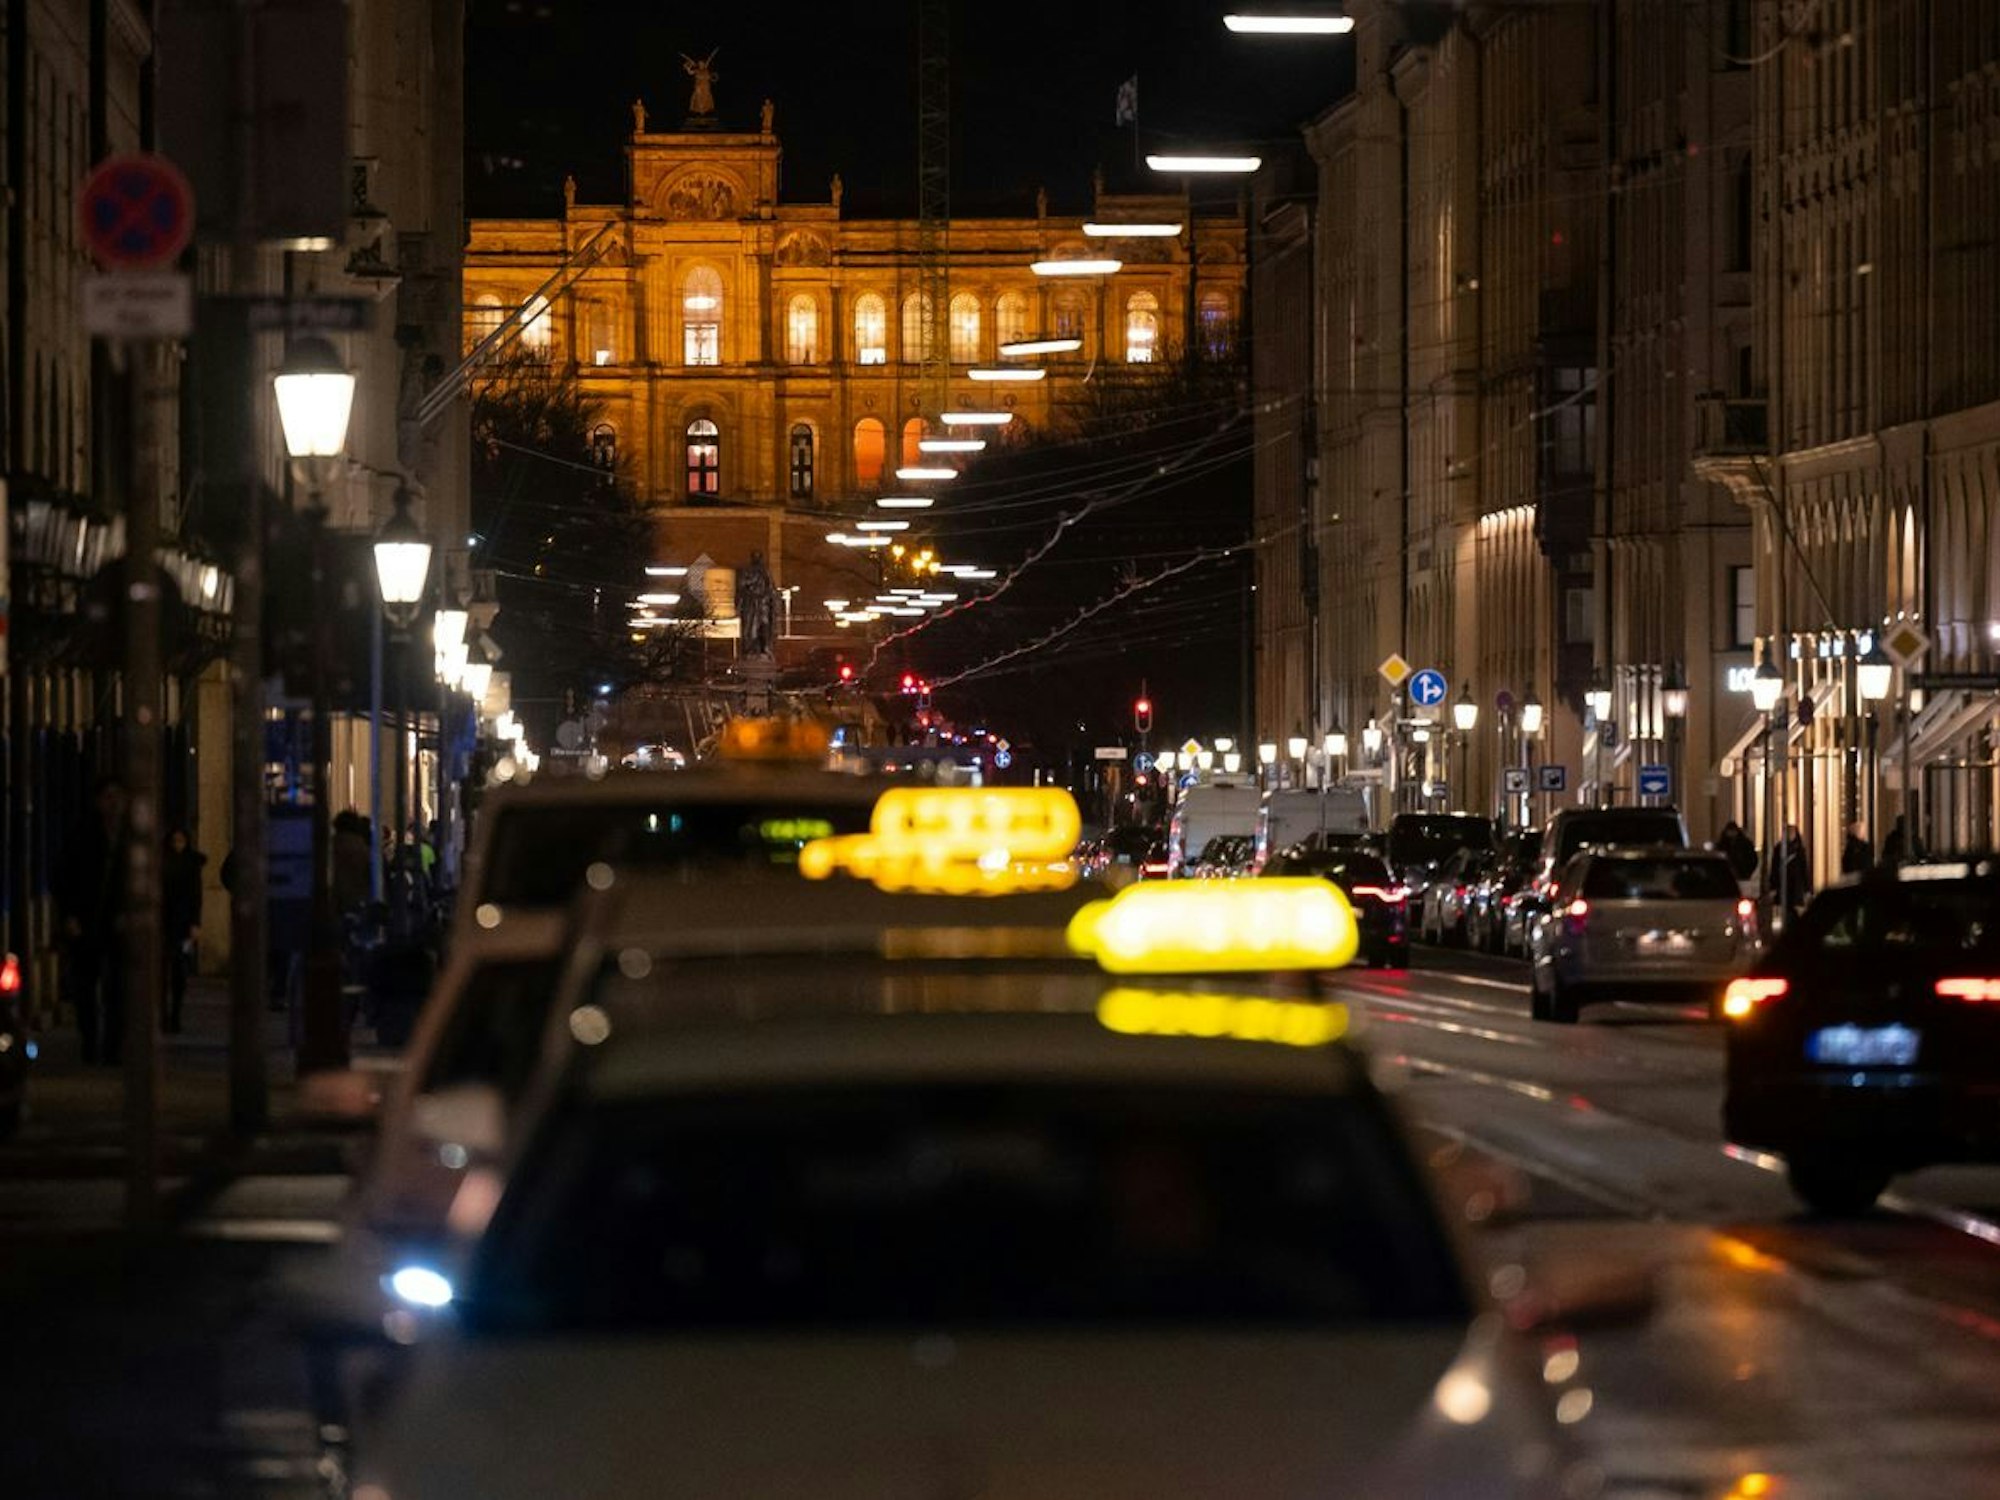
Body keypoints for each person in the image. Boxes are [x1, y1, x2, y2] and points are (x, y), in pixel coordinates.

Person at [55, 777, 128, 1065]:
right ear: (98, 802)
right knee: (85, 987)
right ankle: (90, 1041)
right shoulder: (82, 834)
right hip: (86, 920)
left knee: (117, 989)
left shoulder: (130, 836)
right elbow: (64, 876)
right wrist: (69, 915)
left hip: (118, 923)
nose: (113, 804)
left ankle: (111, 1047)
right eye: (108, 797)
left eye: (117, 797)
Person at [161, 827, 207, 1034]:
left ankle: (175, 1013)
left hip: (182, 923)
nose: (177, 845)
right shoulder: (163, 862)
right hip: (165, 922)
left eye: (181, 841)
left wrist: (195, 923)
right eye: (175, 841)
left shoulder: (191, 864)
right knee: (163, 970)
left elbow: (196, 896)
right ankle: (165, 1014)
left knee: (179, 969)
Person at [1766, 824, 1811, 924]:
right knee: (1782, 912)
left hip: (1796, 886)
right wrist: (1773, 887)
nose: (1790, 835)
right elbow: (1774, 868)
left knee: (1796, 913)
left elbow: (1804, 869)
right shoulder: (1778, 849)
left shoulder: (1799, 849)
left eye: (1792, 833)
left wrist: (1807, 889)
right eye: (1788, 833)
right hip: (1782, 885)